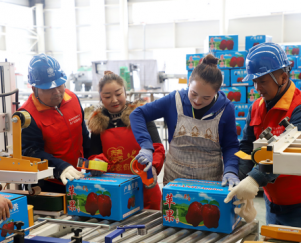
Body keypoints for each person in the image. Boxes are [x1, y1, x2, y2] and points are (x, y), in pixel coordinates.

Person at [225, 43, 301, 227]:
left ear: (283, 77)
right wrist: (238, 177)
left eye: (262, 81)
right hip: (273, 201)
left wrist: (254, 179)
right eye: (254, 81)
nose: (257, 88)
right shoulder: (256, 107)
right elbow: (247, 148)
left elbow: (291, 152)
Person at [129, 54, 240, 189]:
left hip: (210, 183)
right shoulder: (173, 101)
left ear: (217, 92)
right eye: (193, 93)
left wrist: (231, 169)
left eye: (206, 97)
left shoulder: (225, 109)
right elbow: (137, 114)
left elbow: (231, 146)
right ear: (189, 83)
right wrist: (146, 145)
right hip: (174, 181)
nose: (198, 101)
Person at [87, 71, 165, 210]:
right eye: (107, 96)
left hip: (145, 186)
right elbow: (94, 154)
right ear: (101, 97)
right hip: (115, 190)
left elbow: (157, 147)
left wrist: (153, 166)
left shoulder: (141, 114)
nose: (114, 100)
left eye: (118, 94)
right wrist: (97, 163)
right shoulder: (98, 123)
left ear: (125, 92)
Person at [19, 54, 90, 193]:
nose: (57, 92)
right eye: (49, 88)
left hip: (82, 176)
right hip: (51, 184)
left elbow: (84, 136)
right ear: (35, 89)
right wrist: (60, 167)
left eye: (59, 85)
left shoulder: (73, 99)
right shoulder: (28, 115)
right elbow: (30, 152)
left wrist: (92, 162)